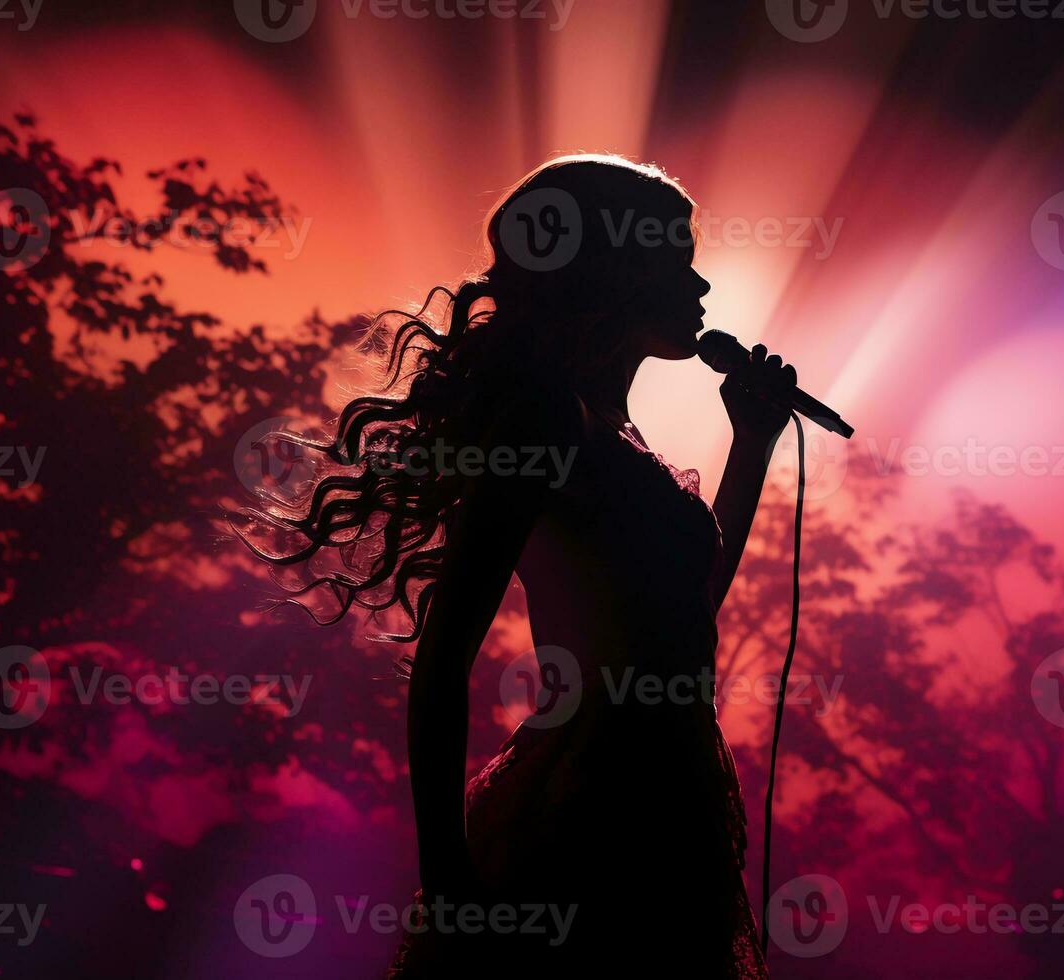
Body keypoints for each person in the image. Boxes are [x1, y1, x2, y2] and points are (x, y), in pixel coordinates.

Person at [238, 154, 793, 976]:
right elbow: (445, 658)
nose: (703, 288)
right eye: (679, 258)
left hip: (668, 808)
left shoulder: (612, 427)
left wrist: (751, 445)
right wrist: (449, 881)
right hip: (589, 807)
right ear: (615, 270)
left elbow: (685, 613)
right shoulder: (544, 417)